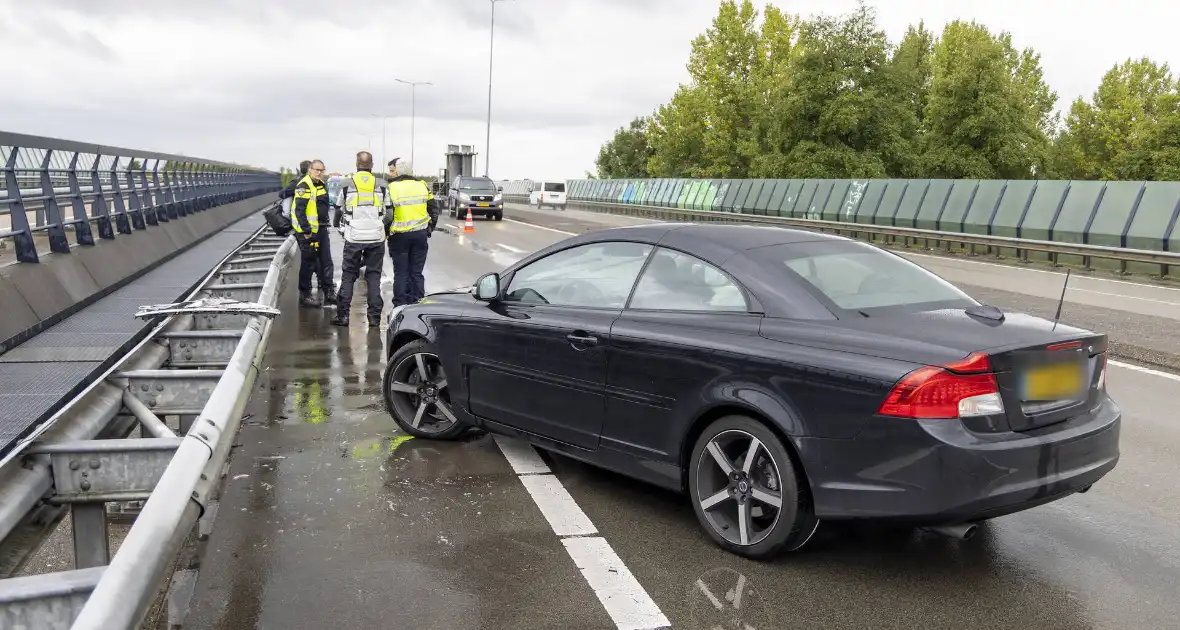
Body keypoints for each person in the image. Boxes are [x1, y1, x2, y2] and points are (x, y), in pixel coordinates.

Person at [331, 151, 390, 328]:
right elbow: (389, 213)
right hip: (376, 237)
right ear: (372, 165)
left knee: (349, 275)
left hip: (354, 236)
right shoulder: (382, 184)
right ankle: (374, 318)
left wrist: (338, 226)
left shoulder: (346, 184)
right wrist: (382, 229)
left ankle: (343, 316)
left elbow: (339, 210)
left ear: (357, 163)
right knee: (373, 276)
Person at [386, 158, 439, 307]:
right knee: (416, 272)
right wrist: (429, 229)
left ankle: (400, 306)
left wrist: (386, 232)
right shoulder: (423, 186)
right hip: (419, 235)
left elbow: (387, 214)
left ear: (398, 171)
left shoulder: (391, 188)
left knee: (401, 273)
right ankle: (418, 304)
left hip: (398, 236)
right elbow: (434, 210)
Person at [291, 159, 338, 308]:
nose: (319, 172)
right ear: (310, 169)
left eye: (321, 170)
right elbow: (299, 210)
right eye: (316, 170)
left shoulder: (321, 184)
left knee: (326, 262)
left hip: (321, 229)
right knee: (309, 263)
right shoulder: (304, 186)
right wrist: (306, 231)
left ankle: (329, 292)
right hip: (308, 233)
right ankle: (305, 295)